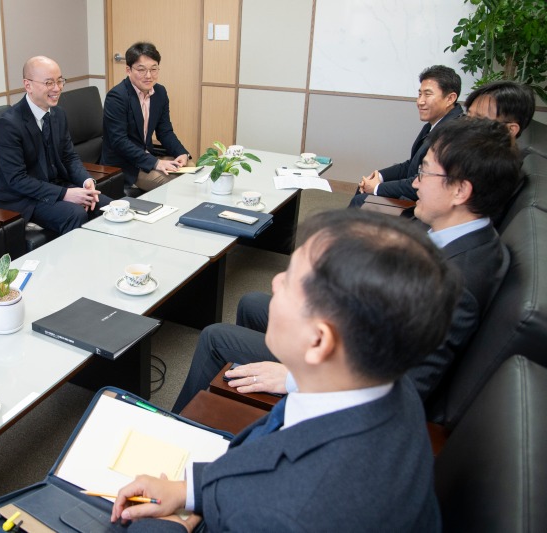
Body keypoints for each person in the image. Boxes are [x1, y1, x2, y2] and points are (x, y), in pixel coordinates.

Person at [111, 209, 460, 532]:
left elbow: (269, 501)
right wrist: (189, 490)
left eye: (291, 281)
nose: (275, 282)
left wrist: (179, 520)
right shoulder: (391, 389)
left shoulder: (283, 513)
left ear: (319, 341)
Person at [172, 118, 522, 424]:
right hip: (362, 333)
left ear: (461, 190)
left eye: (424, 172)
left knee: (216, 337)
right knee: (251, 302)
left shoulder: (461, 283)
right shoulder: (468, 239)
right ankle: (239, 403)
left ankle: (176, 427)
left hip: (352, 371)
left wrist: (296, 377)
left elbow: (409, 387)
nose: (415, 183)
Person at [0, 56, 110, 235]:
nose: (57, 88)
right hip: (24, 198)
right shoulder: (8, 124)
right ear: (28, 85)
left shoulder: (58, 114)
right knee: (75, 213)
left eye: (60, 81)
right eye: (49, 83)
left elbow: (69, 156)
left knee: (104, 205)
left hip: (55, 186)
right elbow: (17, 179)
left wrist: (86, 182)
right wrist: (65, 194)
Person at [350, 65, 463, 207]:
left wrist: (377, 188)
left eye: (427, 94)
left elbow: (426, 181)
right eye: (419, 94)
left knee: (361, 200)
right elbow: (411, 165)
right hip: (413, 193)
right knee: (363, 190)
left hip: (422, 206)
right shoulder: (433, 124)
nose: (420, 101)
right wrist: (378, 176)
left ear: (450, 98)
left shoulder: (452, 132)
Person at [100, 42, 191, 192]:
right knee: (173, 183)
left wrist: (181, 152)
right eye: (141, 70)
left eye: (153, 69)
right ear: (128, 70)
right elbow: (119, 142)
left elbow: (165, 131)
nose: (149, 76)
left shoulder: (160, 92)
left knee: (192, 168)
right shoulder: (117, 97)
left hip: (147, 157)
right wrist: (155, 163)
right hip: (125, 165)